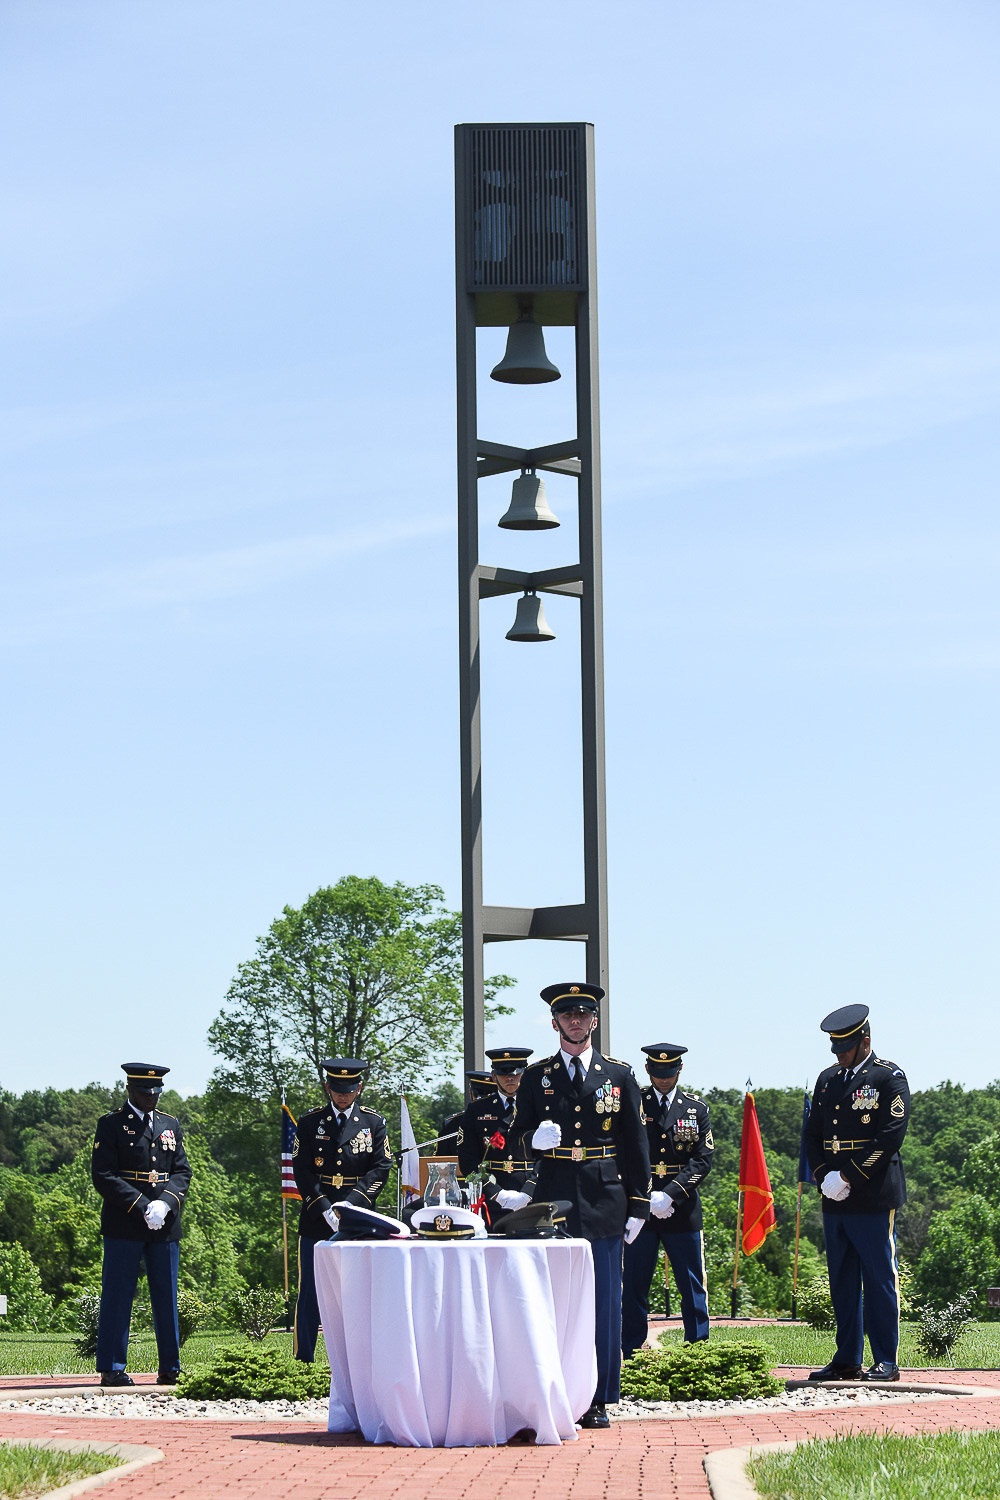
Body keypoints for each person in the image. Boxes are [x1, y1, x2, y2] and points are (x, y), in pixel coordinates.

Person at [514, 983, 650, 1429]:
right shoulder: (536, 1076)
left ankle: (599, 1396)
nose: (575, 1021)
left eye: (583, 1014)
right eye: (567, 1015)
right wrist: (531, 1141)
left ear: (595, 1021)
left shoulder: (619, 1074)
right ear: (554, 1023)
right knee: (553, 1300)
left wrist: (639, 1205)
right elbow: (515, 1135)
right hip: (553, 1197)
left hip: (604, 1196)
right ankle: (550, 1389)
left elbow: (635, 1143)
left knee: (604, 1302)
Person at [803, 1004, 910, 1382]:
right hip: (834, 1195)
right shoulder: (827, 1079)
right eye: (835, 1048)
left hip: (872, 1192)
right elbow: (812, 1135)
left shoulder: (888, 1077)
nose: (839, 1054)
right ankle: (847, 1357)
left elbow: (889, 1137)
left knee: (879, 1277)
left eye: (845, 1047)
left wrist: (848, 1175)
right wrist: (823, 1176)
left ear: (865, 1040)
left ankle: (886, 1359)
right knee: (843, 1280)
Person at [91, 1063, 192, 1387]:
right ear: (130, 1090)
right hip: (125, 1222)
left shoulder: (169, 1124)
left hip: (164, 1223)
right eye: (143, 1092)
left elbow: (182, 1171)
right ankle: (112, 1366)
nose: (150, 1097)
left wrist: (165, 1202)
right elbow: (103, 1175)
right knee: (119, 1295)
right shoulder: (111, 1125)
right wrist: (142, 1206)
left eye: (155, 1092)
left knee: (166, 1295)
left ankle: (170, 1366)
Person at [291, 1056, 391, 1362]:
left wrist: (353, 1202)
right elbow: (301, 1170)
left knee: (358, 1290)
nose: (343, 1095)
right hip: (317, 1213)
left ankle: (360, 1360)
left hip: (357, 1215)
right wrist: (322, 1206)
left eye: (349, 1089)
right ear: (327, 1087)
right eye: (337, 1089)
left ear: (359, 1088)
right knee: (310, 1290)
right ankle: (304, 1358)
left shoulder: (373, 1123)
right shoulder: (309, 1123)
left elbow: (381, 1167)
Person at [622, 1043, 714, 1355]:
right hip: (640, 1207)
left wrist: (671, 1194)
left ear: (680, 1070)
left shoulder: (695, 1109)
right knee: (635, 1282)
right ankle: (631, 1350)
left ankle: (697, 1349)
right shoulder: (634, 1104)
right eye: (658, 1072)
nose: (664, 1079)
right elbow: (624, 1154)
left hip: (682, 1207)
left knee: (691, 1283)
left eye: (670, 1072)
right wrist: (647, 1197)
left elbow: (702, 1160)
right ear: (648, 1070)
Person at [456, 1047, 533, 1224]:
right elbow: (468, 1159)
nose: (510, 1078)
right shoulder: (477, 1110)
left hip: (531, 1199)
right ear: (493, 1076)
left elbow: (548, 1156)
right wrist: (495, 1192)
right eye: (503, 1074)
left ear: (525, 1073)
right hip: (492, 1201)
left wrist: (529, 1191)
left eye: (516, 1073)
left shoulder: (538, 1107)